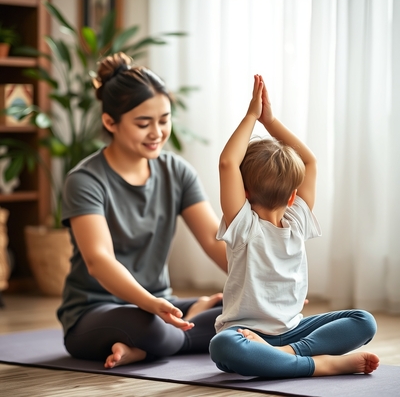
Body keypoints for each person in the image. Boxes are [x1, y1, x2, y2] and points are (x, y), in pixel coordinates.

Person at [57, 52, 227, 369]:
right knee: (148, 326)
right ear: (110, 122)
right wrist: (149, 304)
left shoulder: (177, 171)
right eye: (143, 123)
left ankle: (148, 347)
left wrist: (265, 289)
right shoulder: (84, 180)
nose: (157, 133)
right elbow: (99, 261)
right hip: (96, 312)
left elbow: (215, 240)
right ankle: (166, 335)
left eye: (164, 120)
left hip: (162, 305)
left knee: (245, 310)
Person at [209, 74, 380, 378]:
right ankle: (317, 363)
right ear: (292, 196)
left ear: (244, 191)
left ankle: (285, 356)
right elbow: (310, 161)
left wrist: (252, 116)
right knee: (225, 344)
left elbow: (227, 163)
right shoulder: (290, 217)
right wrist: (270, 121)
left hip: (291, 332)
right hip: (244, 335)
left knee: (363, 320)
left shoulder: (243, 221)